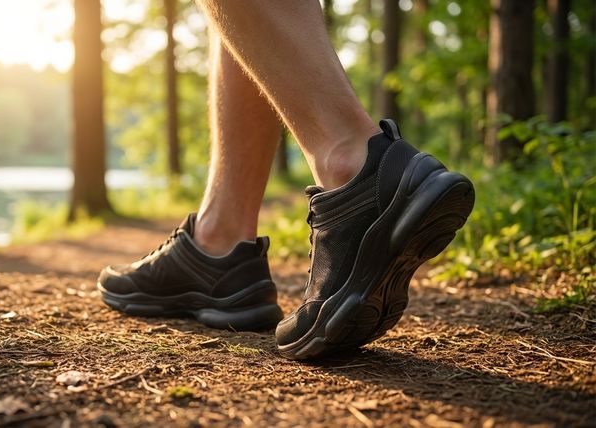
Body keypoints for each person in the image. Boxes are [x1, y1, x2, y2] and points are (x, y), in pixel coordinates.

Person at [97, 1, 475, 360]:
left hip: (362, 169)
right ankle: (219, 241)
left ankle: (349, 161)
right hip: (224, 255)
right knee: (237, 24)